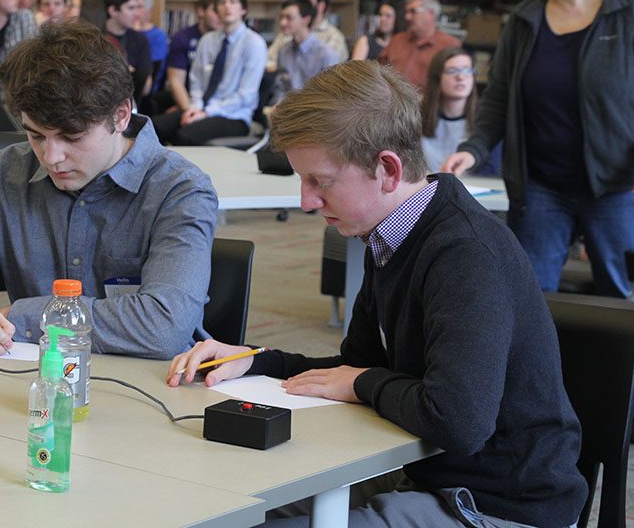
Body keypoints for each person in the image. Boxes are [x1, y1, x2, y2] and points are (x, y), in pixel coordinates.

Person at [168, 60, 588, 527]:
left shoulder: (465, 254)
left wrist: (361, 382)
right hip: (428, 472)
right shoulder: (390, 235)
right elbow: (355, 372)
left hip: (499, 503)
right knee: (225, 503)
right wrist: (254, 358)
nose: (306, 201)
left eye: (320, 182)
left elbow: (458, 420)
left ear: (387, 169)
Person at [442, 0, 634, 445]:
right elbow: (498, 98)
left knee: (623, 296)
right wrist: (476, 148)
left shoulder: (632, 11)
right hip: (542, 187)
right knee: (530, 298)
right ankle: (539, 407)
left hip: (615, 186)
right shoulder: (526, 18)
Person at [0, 20, 218, 360]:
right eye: (35, 135)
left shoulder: (180, 190)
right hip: (30, 391)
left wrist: (23, 318)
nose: (51, 158)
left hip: (147, 394)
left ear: (121, 116)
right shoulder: (5, 174)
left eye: (72, 136)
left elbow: (165, 326)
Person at [151, 0, 267, 146]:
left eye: (233, 2)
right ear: (216, 10)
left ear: (243, 9)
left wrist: (207, 112)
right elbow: (196, 82)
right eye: (222, 2)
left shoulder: (254, 43)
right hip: (202, 108)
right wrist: (195, 107)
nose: (227, 6)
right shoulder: (208, 40)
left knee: (184, 136)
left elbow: (245, 95)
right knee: (154, 128)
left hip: (233, 115)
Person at [420, 47, 500, 175]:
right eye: (452, 71)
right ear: (437, 78)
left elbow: (491, 170)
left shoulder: (487, 118)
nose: (461, 77)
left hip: (475, 191)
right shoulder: (417, 115)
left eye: (467, 70)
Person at [153, 0, 220, 114]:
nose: (221, 15)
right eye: (215, 10)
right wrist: (188, 110)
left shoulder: (229, 41)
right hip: (186, 98)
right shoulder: (182, 37)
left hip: (217, 104)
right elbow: (176, 82)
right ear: (201, 11)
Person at [377, 0, 461, 90]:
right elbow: (377, 72)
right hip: (392, 103)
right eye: (406, 12)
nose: (407, 17)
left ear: (431, 13)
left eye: (413, 11)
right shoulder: (397, 40)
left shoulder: (449, 45)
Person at [270, 0, 338, 105]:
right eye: (281, 17)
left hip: (314, 114)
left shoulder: (327, 54)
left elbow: (329, 96)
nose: (282, 23)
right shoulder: (283, 51)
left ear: (306, 19)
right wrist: (278, 106)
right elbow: (280, 88)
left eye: (289, 18)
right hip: (287, 112)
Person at [267, 0, 348, 70]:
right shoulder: (288, 31)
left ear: (321, 6)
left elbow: (331, 74)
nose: (300, 6)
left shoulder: (334, 37)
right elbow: (269, 60)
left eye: (306, 2)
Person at [102, 0, 153, 106]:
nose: (137, 14)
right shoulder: (95, 37)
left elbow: (146, 88)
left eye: (138, 8)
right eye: (131, 8)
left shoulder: (141, 40)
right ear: (113, 10)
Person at [132, 0, 169, 94]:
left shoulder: (158, 36)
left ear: (150, 11)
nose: (135, 12)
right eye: (131, 7)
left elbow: (150, 71)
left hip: (148, 91)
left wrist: (135, 34)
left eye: (140, 7)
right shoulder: (123, 32)